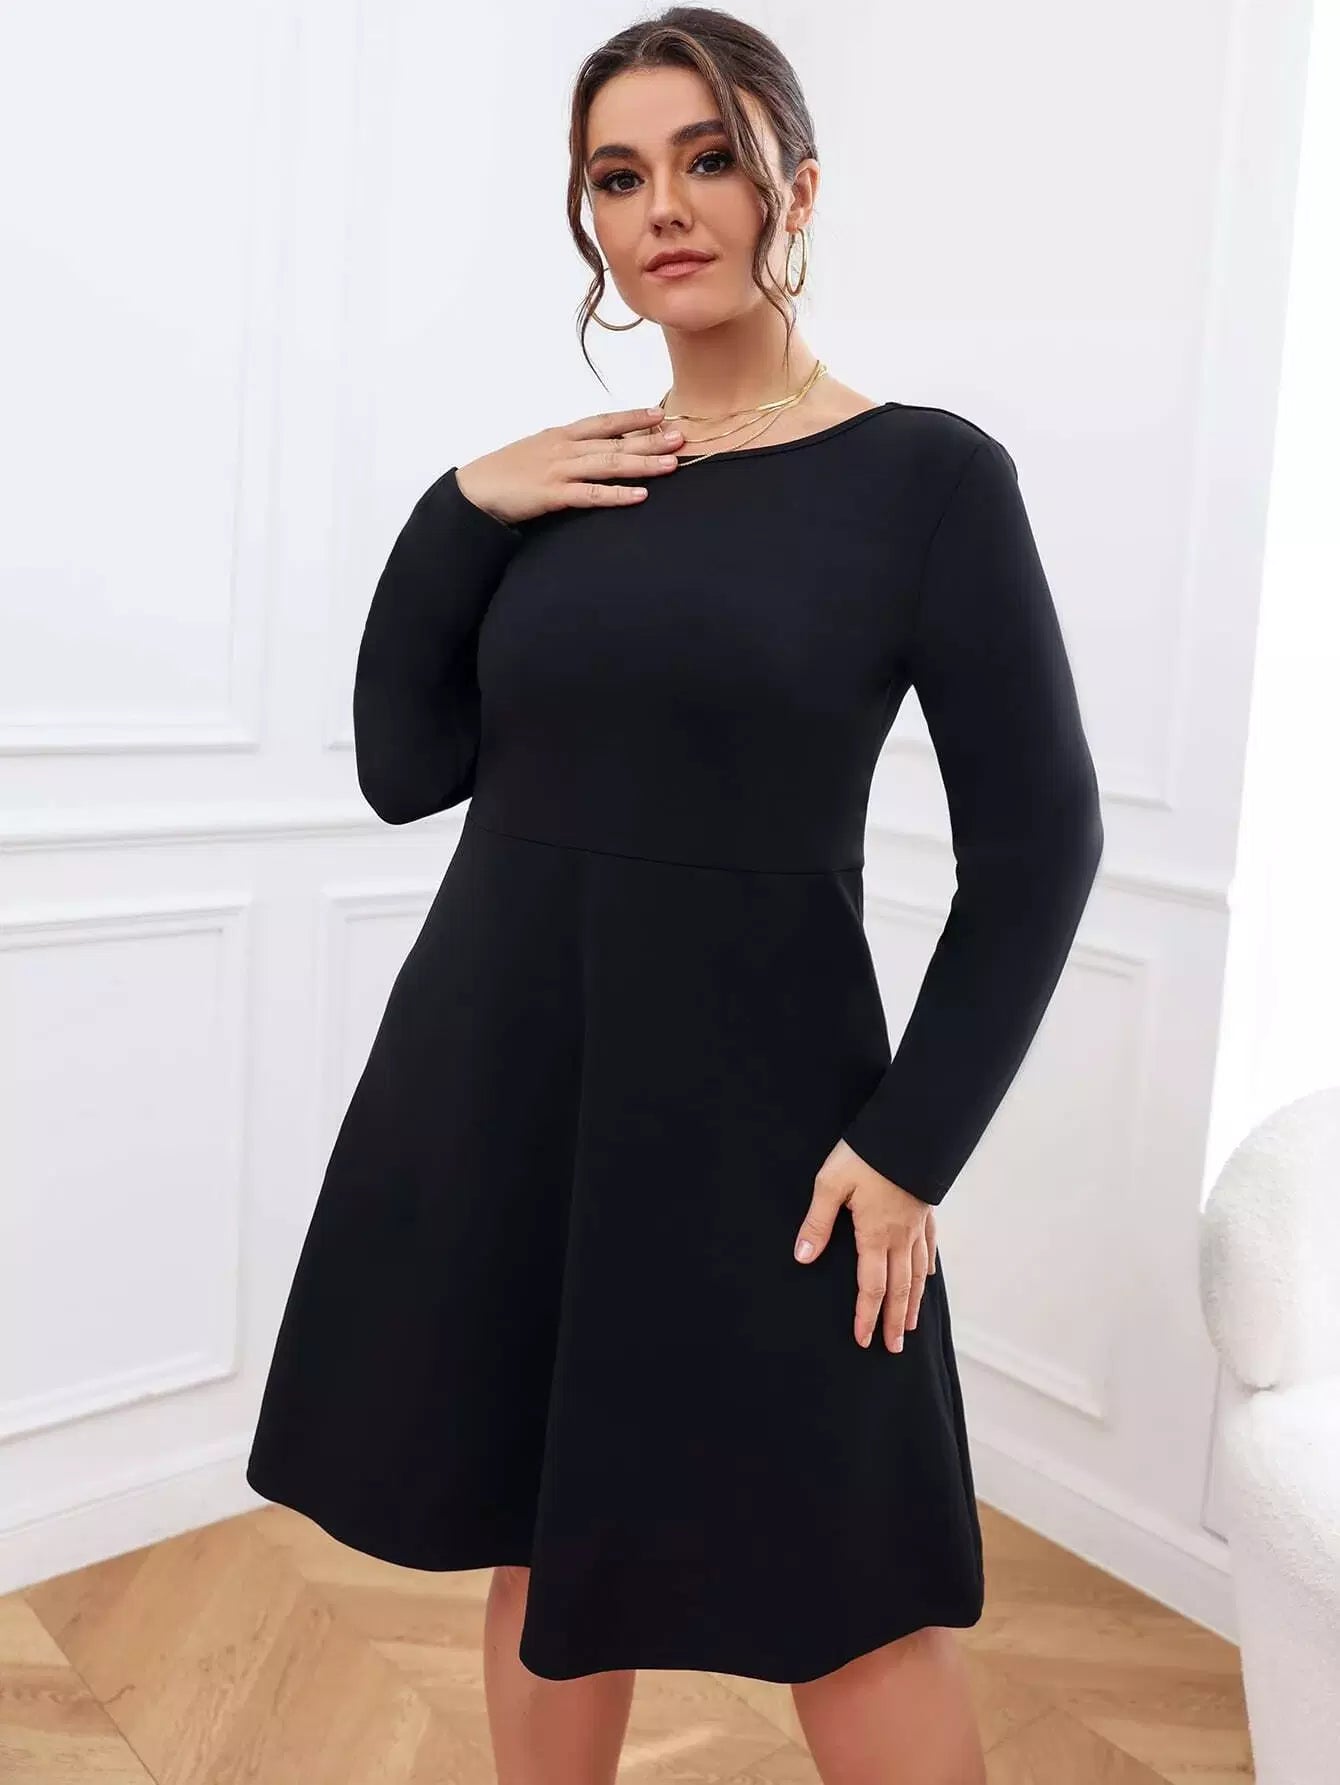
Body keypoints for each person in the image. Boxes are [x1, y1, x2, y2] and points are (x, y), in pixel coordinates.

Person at [246, 7, 1104, 1780]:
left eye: (708, 158)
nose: (663, 208)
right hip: (507, 1079)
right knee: (538, 1527)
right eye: (617, 176)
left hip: (772, 1123)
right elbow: (407, 766)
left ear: (799, 186)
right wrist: (460, 507)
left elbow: (1041, 844)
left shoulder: (929, 480)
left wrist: (913, 1143)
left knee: (853, 1588)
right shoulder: (568, 481)